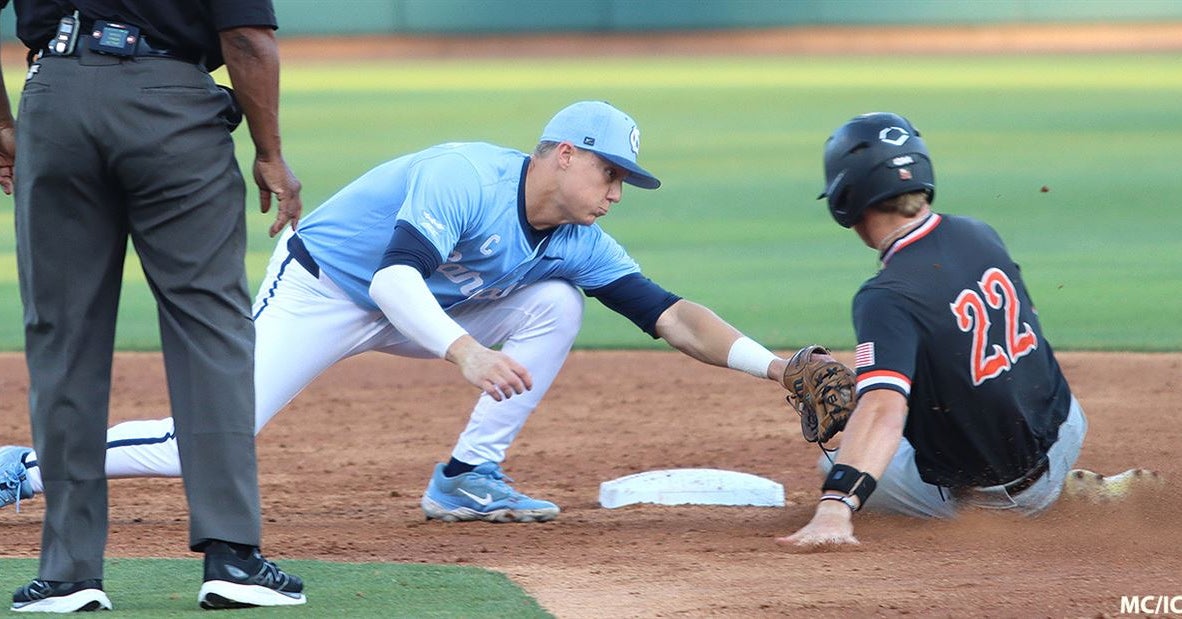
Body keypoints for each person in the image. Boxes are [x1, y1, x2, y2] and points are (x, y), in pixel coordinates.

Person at [2, 99, 791, 528]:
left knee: (555, 301)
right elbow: (391, 281)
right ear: (564, 154)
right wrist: (464, 352)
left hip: (426, 308)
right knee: (202, 441)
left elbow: (672, 315)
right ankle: (23, 467)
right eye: (611, 173)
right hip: (325, 289)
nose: (617, 192)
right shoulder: (466, 176)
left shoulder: (577, 239)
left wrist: (778, 364)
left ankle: (468, 478)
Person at [0, 0, 305, 611]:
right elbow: (246, 38)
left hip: (54, 97)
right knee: (210, 329)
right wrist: (270, 152)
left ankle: (67, 573)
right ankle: (232, 557)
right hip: (171, 106)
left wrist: (5, 126)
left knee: (61, 335)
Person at [777, 112, 1088, 550]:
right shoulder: (977, 231)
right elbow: (1028, 325)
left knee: (834, 465)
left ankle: (1045, 497)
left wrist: (834, 509)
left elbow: (884, 411)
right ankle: (1063, 482)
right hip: (1066, 428)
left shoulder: (886, 294)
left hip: (1008, 495)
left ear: (847, 195)